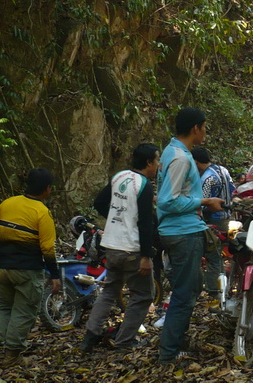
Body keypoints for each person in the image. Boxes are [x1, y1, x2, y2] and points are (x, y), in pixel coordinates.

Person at [157, 108, 225, 365]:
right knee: (184, 294)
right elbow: (167, 201)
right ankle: (169, 353)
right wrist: (205, 201)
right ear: (196, 128)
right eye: (204, 127)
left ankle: (176, 342)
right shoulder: (181, 159)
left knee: (191, 287)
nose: (205, 132)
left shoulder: (172, 151)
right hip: (182, 231)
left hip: (180, 229)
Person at [79, 143, 159, 353]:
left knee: (109, 291)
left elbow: (99, 202)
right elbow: (145, 223)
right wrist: (146, 256)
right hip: (132, 249)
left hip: (112, 246)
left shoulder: (119, 176)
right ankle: (125, 340)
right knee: (143, 295)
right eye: (157, 160)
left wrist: (117, 220)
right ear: (148, 162)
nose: (158, 165)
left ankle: (90, 336)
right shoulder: (144, 185)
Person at [0, 168, 60, 367]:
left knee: (2, 306)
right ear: (47, 189)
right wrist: (55, 275)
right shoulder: (42, 212)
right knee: (24, 311)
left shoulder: (7, 203)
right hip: (27, 270)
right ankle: (12, 356)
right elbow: (47, 248)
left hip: (2, 268)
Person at [192, 147, 235, 297]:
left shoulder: (206, 178)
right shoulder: (223, 170)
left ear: (195, 162)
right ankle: (222, 288)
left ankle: (214, 291)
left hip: (213, 221)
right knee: (219, 254)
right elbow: (233, 190)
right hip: (226, 217)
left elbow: (202, 203)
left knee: (213, 257)